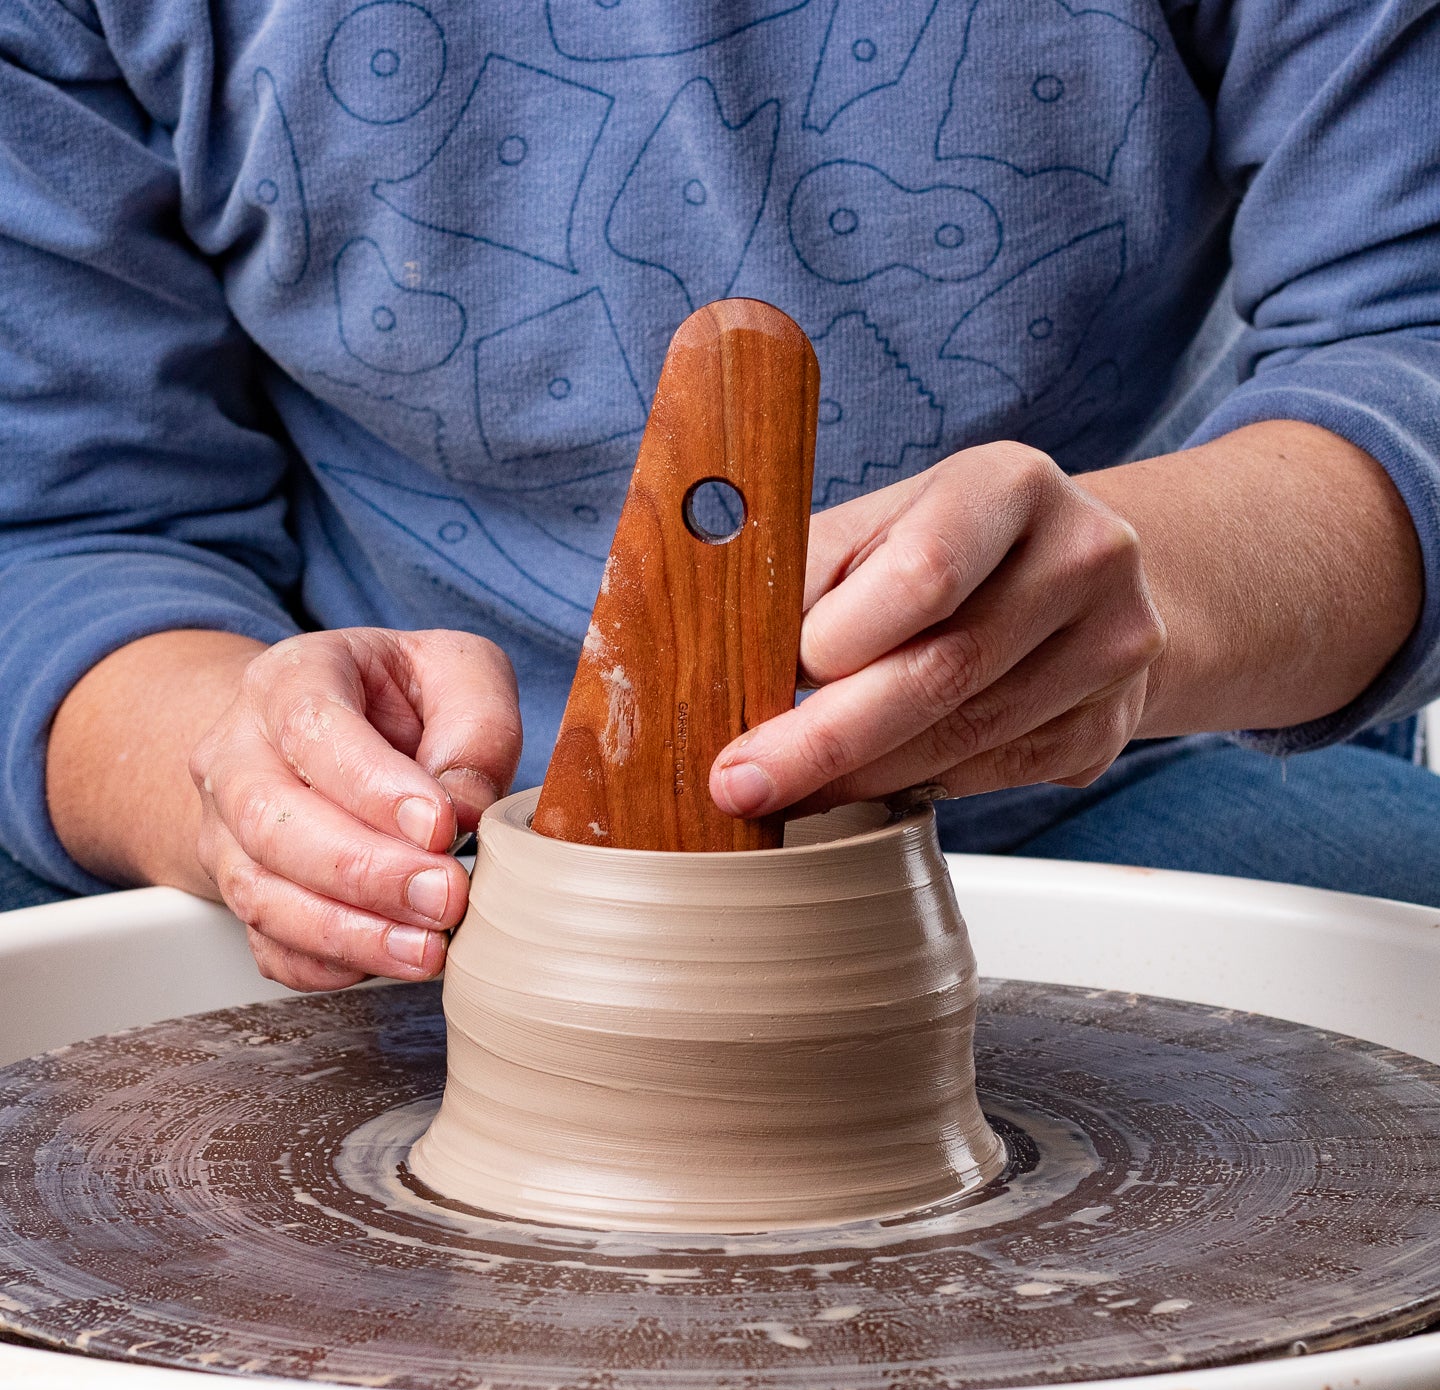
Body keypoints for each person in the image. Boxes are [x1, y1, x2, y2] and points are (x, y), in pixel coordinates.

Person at [2, 1, 1438, 992]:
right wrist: (250, 783)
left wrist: (1141, 606)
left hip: (1099, 762)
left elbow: (1404, 346)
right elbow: (70, 526)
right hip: (420, 852)